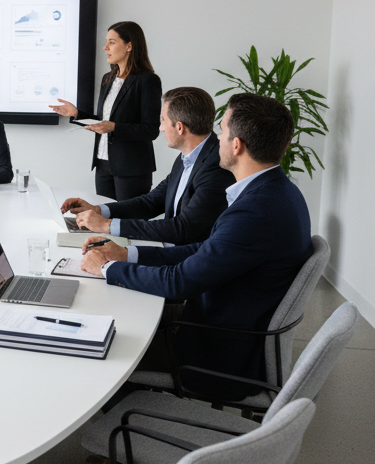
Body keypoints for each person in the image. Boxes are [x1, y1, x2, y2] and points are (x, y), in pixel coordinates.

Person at [80, 93, 312, 400]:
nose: (217, 137)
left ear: (237, 145)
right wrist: (127, 254)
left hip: (214, 356)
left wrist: (107, 268)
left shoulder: (255, 211)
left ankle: (126, 439)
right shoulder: (277, 191)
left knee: (99, 348)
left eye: (224, 130)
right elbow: (204, 249)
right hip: (225, 332)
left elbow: (179, 282)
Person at [61, 87, 234, 245]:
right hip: (168, 250)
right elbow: (150, 203)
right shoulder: (188, 157)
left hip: (184, 262)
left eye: (163, 121)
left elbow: (184, 229)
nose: (160, 128)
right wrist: (98, 210)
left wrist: (107, 225)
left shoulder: (217, 165)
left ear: (179, 127)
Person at [50, 21, 161, 200]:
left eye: (111, 42)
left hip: (131, 168)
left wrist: (114, 127)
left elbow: (151, 129)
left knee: (127, 223)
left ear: (129, 46)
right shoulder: (108, 79)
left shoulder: (147, 81)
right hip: (103, 164)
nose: (105, 47)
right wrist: (77, 114)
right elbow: (103, 121)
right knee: (103, 219)